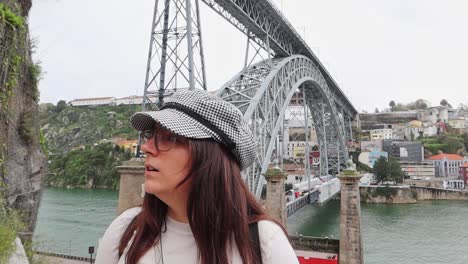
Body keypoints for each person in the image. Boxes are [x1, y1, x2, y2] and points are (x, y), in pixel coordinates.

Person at [95, 89, 298, 264]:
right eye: (150, 135)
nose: (146, 147)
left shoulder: (265, 243)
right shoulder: (126, 229)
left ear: (211, 158)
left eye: (169, 137)